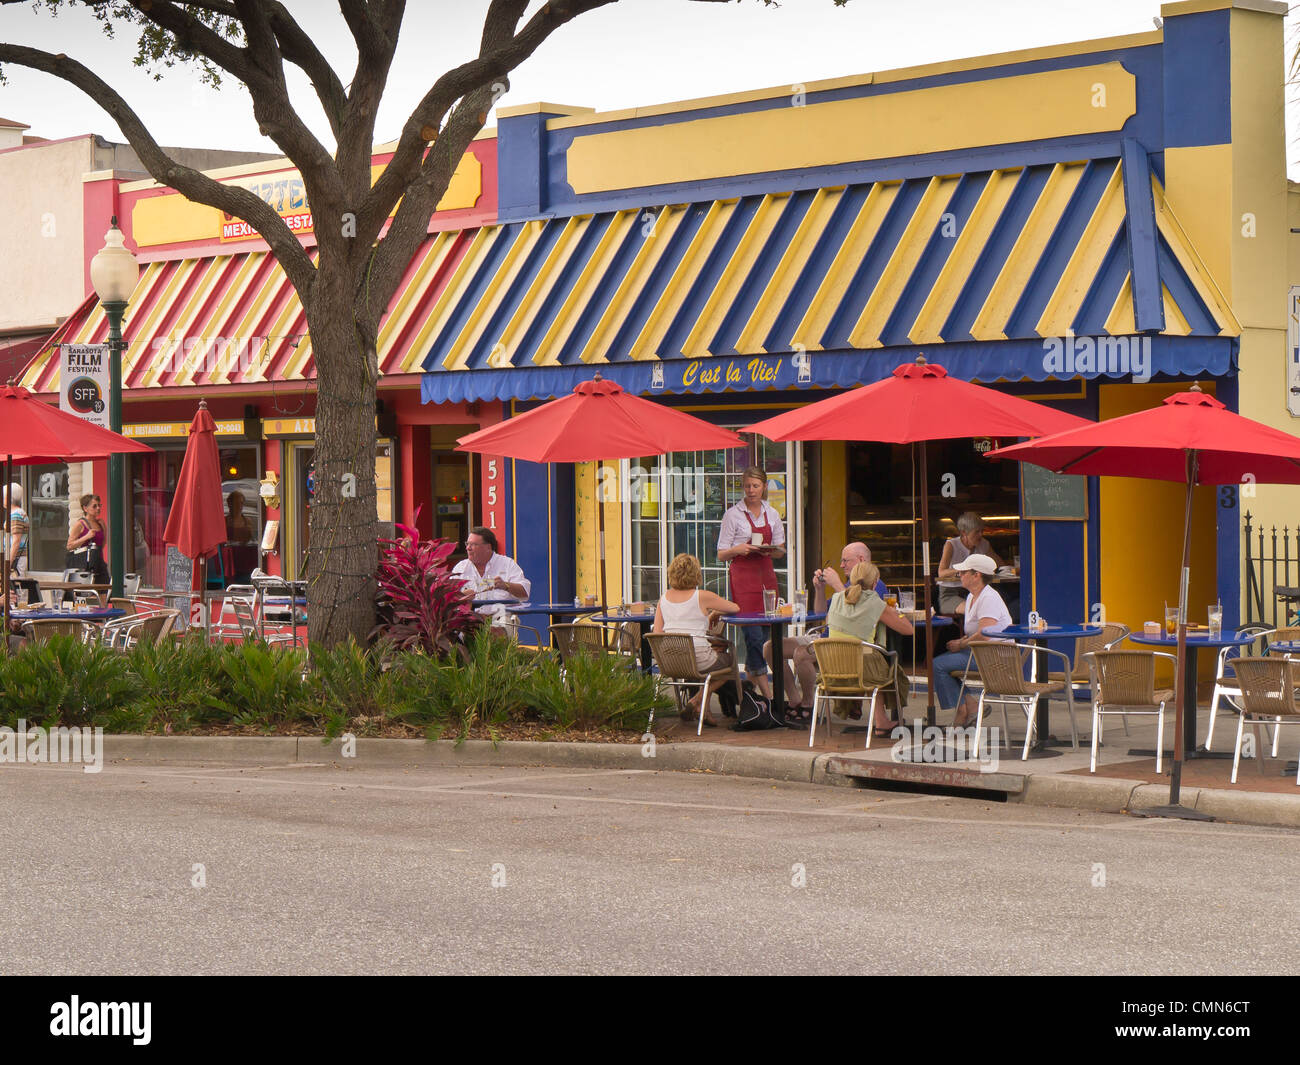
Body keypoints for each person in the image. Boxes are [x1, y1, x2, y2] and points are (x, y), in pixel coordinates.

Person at [763, 541, 886, 718]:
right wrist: (819, 589)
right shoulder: (848, 584)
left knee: (801, 653)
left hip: (848, 646)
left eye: (845, 561)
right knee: (771, 647)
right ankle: (794, 700)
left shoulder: (876, 584)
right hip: (825, 637)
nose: (842, 565)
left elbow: (859, 609)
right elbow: (821, 612)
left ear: (860, 559)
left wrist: (837, 585)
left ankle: (808, 704)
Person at [716, 465, 784, 699]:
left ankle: (753, 687)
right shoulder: (732, 514)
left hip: (766, 575)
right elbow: (721, 554)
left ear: (764, 486)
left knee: (766, 637)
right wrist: (738, 548)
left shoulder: (772, 513)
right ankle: (768, 695)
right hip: (743, 578)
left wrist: (771, 551)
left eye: (755, 486)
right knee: (753, 635)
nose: (751, 490)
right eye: (747, 486)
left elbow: (780, 550)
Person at [824, 561, 915, 733]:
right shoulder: (875, 603)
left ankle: (877, 719)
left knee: (869, 658)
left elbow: (831, 622)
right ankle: (882, 722)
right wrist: (895, 611)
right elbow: (908, 629)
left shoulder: (836, 598)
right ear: (875, 583)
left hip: (831, 669)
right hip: (861, 670)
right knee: (881, 664)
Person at [653, 552, 741, 726]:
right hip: (698, 659)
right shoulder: (701, 596)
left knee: (707, 661)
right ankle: (697, 700)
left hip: (669, 661)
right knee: (729, 663)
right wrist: (715, 611)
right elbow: (735, 608)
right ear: (696, 574)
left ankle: (704, 711)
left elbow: (657, 632)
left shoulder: (663, 599)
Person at [931, 553, 1012, 728]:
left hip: (994, 655)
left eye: (964, 572)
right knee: (940, 664)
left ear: (977, 575)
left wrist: (961, 644)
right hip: (981, 651)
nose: (959, 575)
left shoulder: (989, 597)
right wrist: (963, 640)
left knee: (937, 665)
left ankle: (962, 711)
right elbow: (978, 632)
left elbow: (985, 633)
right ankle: (971, 705)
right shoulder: (971, 597)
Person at [451, 526, 530, 631]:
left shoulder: (507, 564)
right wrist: (461, 596)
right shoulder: (461, 567)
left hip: (501, 616)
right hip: (470, 619)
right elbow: (448, 597)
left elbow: (525, 593)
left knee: (500, 627)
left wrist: (506, 585)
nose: (468, 548)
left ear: (488, 547)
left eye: (473, 545)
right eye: (467, 544)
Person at [936, 512, 1001, 616]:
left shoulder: (983, 544)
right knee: (975, 609)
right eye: (976, 532)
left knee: (992, 606)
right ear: (963, 533)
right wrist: (964, 570)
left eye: (982, 531)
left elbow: (1000, 564)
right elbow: (941, 573)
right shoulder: (951, 545)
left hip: (976, 591)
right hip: (951, 593)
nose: (980, 535)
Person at [66, 493, 109, 583]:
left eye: (99, 505)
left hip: (99, 563)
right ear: (85, 508)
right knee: (88, 594)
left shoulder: (101, 523)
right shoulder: (80, 524)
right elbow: (69, 546)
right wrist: (86, 537)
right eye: (94, 506)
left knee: (105, 593)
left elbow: (103, 543)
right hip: (85, 565)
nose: (98, 508)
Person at [5, 482, 28, 578]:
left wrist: (7, 563)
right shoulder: (19, 513)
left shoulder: (16, 515)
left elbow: (16, 541)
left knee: (15, 590)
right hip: (18, 558)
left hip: (15, 559)